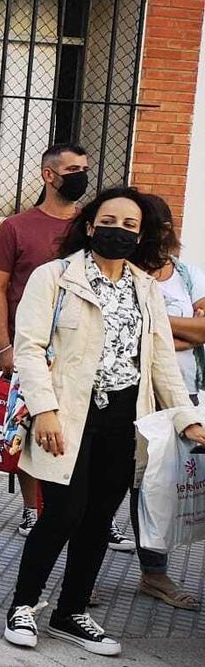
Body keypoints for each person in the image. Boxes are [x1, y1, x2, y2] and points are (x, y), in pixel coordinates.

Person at [3, 188, 205, 657]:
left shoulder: (146, 288)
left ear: (140, 235)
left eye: (130, 225)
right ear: (91, 226)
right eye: (109, 220)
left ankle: (71, 612)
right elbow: (29, 348)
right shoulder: (54, 277)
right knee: (63, 514)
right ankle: (23, 604)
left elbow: (160, 363)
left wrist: (186, 420)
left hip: (124, 417)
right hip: (69, 414)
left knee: (98, 518)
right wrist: (45, 410)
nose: (119, 230)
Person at [0, 145, 115, 544]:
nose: (81, 175)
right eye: (72, 169)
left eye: (85, 169)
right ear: (48, 175)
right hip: (32, 348)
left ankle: (93, 516)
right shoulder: (17, 227)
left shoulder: (92, 226)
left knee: (87, 432)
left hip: (84, 349)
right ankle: (31, 510)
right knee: (32, 424)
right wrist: (4, 347)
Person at [130, 194, 205, 611]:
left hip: (185, 394)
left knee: (168, 485)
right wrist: (181, 332)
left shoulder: (189, 275)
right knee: (128, 482)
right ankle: (142, 573)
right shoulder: (124, 276)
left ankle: (153, 571)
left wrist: (155, 326)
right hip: (135, 395)